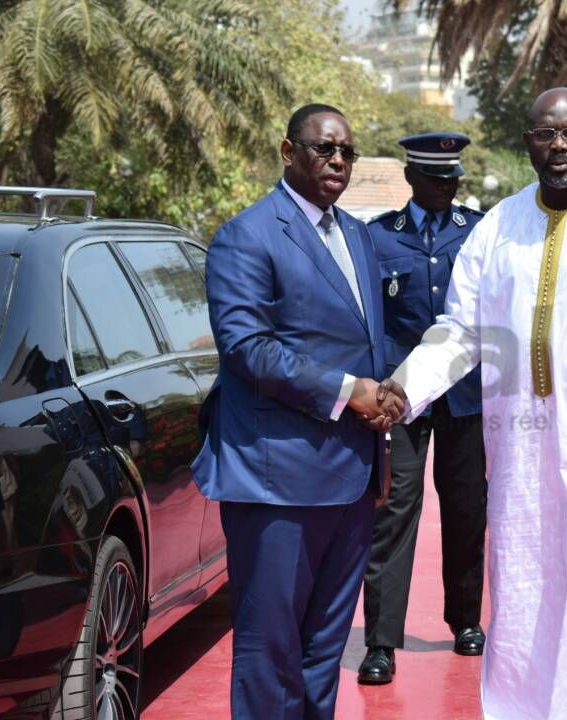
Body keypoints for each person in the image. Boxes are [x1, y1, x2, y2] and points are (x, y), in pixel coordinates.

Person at [376, 87, 567, 719]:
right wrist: (402, 389)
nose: (559, 147)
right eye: (546, 135)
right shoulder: (497, 228)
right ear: (528, 143)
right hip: (519, 457)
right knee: (523, 597)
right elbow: (462, 330)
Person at [190, 103, 402, 720]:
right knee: (269, 652)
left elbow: (367, 342)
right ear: (288, 152)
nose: (337, 161)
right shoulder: (247, 236)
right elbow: (247, 348)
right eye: (322, 149)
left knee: (324, 650)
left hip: (352, 478)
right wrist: (348, 391)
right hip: (277, 483)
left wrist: (391, 390)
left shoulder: (359, 236)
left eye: (347, 153)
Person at [357, 132, 488, 686]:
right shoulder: (377, 237)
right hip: (399, 399)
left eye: (453, 177)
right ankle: (382, 642)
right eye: (435, 178)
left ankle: (465, 621)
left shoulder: (478, 234)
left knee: (466, 509)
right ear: (412, 179)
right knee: (393, 514)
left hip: (463, 396)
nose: (446, 186)